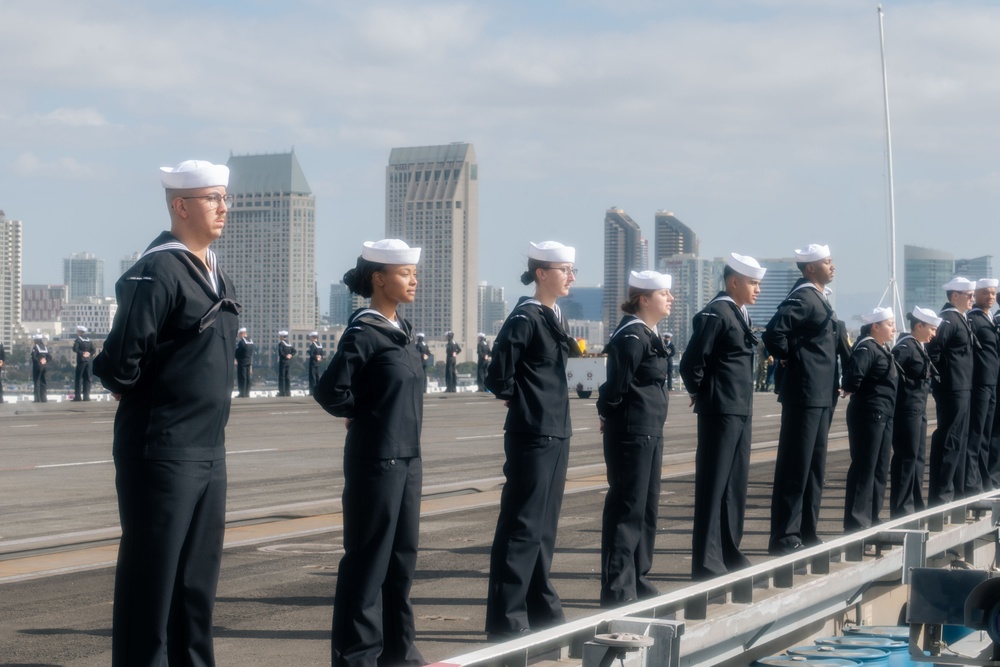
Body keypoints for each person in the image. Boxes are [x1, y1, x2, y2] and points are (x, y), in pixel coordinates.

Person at [92, 159, 241, 666]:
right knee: (151, 585)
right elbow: (118, 363)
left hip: (209, 450)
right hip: (164, 449)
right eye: (211, 198)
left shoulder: (216, 274)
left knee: (195, 586)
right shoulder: (157, 269)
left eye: (224, 197)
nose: (224, 206)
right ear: (180, 206)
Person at [313, 239, 425, 667]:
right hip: (376, 461)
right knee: (368, 563)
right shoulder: (364, 332)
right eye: (404, 273)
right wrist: (359, 413)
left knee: (401, 561)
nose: (413, 280)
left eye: (414, 273)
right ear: (379, 279)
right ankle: (358, 656)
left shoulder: (400, 332)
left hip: (408, 460)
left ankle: (399, 652)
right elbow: (330, 389)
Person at [484, 240, 579, 640]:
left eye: (573, 270)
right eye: (564, 270)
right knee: (523, 527)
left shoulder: (554, 316)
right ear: (542, 273)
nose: (571, 276)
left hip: (557, 428)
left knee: (544, 527)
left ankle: (540, 608)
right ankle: (508, 619)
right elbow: (497, 374)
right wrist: (518, 398)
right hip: (533, 431)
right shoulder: (526, 317)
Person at [681, 253, 766, 579]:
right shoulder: (717, 312)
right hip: (720, 411)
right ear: (734, 282)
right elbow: (691, 362)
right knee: (714, 487)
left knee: (735, 487)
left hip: (740, 410)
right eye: (753, 283)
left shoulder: (738, 313)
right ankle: (706, 562)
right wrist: (700, 392)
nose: (757, 289)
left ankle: (729, 552)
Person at [597, 270, 673, 603]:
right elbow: (616, 385)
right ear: (643, 299)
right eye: (663, 294)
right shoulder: (632, 336)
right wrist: (606, 411)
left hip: (649, 429)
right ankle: (618, 586)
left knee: (646, 508)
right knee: (627, 508)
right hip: (632, 431)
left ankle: (638, 576)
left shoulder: (647, 333)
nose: (670, 299)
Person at [762, 243, 838, 555]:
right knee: (796, 465)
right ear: (810, 268)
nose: (833, 266)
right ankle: (785, 536)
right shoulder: (804, 296)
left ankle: (807, 530)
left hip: (821, 393)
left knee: (814, 467)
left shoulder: (818, 296)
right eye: (827, 262)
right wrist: (792, 360)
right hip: (805, 392)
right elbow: (773, 333)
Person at [842, 307, 898, 532]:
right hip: (869, 413)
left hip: (883, 413)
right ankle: (857, 522)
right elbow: (853, 375)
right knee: (865, 467)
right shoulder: (867, 347)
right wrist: (849, 388)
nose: (894, 328)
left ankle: (872, 518)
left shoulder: (880, 348)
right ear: (876, 326)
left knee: (879, 469)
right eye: (890, 324)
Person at [927, 277, 976, 505]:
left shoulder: (959, 318)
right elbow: (933, 350)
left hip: (963, 387)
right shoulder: (947, 319)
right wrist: (942, 380)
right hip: (953, 388)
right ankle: (943, 495)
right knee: (950, 439)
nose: (972, 300)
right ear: (955, 296)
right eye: (969, 296)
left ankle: (955, 492)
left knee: (960, 440)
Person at [890, 307, 941, 517]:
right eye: (931, 329)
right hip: (906, 410)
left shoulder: (918, 346)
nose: (934, 334)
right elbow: (891, 376)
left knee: (918, 458)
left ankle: (915, 505)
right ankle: (902, 510)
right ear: (919, 326)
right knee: (906, 458)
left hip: (918, 410)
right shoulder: (905, 347)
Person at [966, 278, 998, 494]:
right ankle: (973, 483)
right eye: (985, 293)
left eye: (993, 293)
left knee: (986, 434)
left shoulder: (988, 318)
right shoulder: (973, 319)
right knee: (976, 434)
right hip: (979, 382)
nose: (990, 297)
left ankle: (986, 480)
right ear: (975, 295)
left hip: (992, 382)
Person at [71, 325, 96, 401]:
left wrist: (82, 353)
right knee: (87, 379)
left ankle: (78, 397)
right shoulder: (88, 340)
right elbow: (93, 350)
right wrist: (88, 354)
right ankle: (86, 396)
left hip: (81, 361)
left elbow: (75, 349)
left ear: (79, 332)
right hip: (88, 361)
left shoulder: (78, 340)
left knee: (78, 379)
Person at [235, 327, 255, 398]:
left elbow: (238, 351)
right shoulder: (251, 341)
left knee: (242, 377)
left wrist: (235, 357)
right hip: (249, 361)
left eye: (239, 334)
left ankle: (242, 393)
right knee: (248, 377)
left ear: (242, 333)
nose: (239, 336)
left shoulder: (242, 342)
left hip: (242, 361)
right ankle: (247, 393)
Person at [31, 333, 51, 403]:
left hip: (38, 366)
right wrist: (45, 360)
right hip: (45, 366)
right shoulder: (45, 347)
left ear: (36, 340)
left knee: (37, 381)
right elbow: (50, 357)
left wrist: (39, 360)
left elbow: (34, 358)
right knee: (43, 381)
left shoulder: (35, 347)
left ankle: (37, 399)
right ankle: (44, 398)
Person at [277, 330, 296, 396]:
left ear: (282, 336)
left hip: (283, 361)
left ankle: (282, 392)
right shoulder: (289, 343)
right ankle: (288, 391)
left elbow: (280, 353)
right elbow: (294, 351)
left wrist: (285, 355)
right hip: (289, 362)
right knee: (287, 377)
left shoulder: (281, 344)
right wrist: (290, 355)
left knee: (282, 376)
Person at [307, 331, 325, 396]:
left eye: (310, 337)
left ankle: (312, 391)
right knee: (317, 377)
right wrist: (320, 357)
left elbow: (312, 354)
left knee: (312, 377)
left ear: (313, 337)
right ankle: (318, 391)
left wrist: (315, 356)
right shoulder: (320, 345)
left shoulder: (313, 345)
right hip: (318, 363)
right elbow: (322, 353)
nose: (310, 338)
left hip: (313, 363)